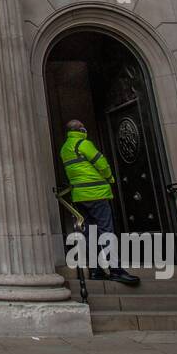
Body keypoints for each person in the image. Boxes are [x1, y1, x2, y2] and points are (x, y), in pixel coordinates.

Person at [59, 119, 140, 286]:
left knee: (90, 233)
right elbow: (101, 163)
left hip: (80, 196)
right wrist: (109, 177)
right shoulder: (83, 143)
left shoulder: (65, 148)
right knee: (106, 230)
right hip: (96, 193)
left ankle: (96, 269)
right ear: (81, 129)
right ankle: (115, 269)